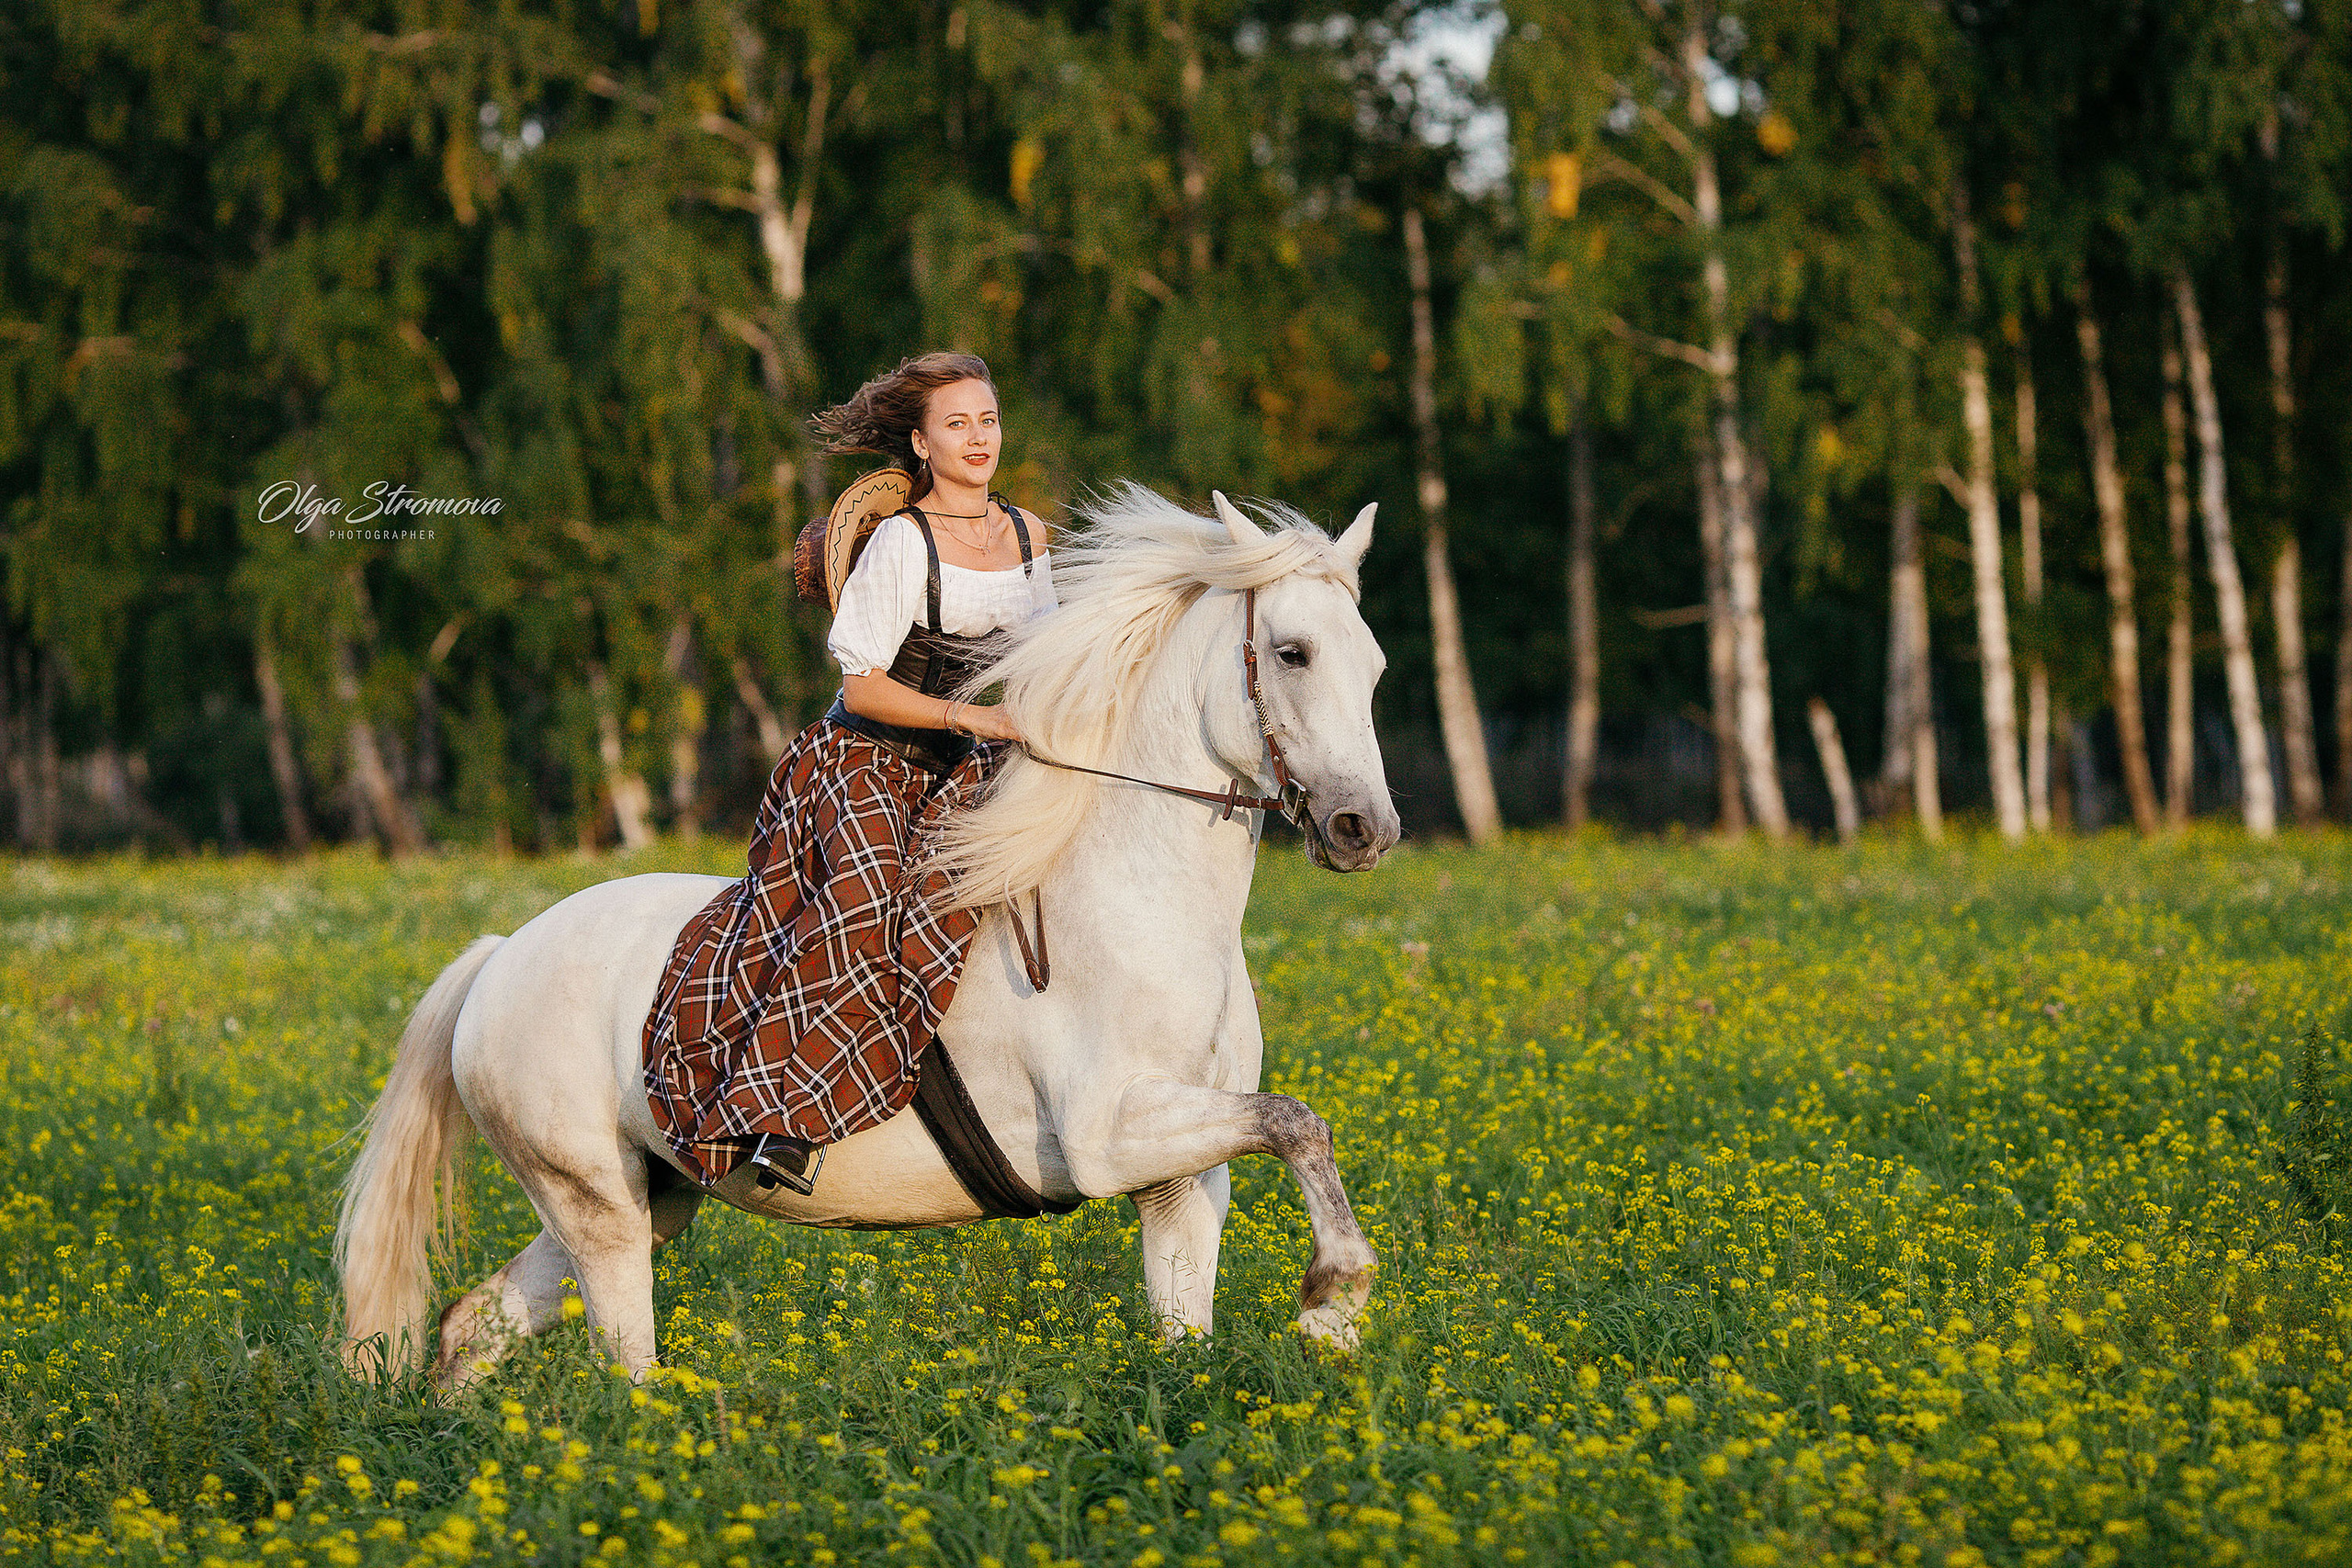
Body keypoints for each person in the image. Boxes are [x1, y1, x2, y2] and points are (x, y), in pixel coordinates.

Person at [640, 353, 1057, 1193]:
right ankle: (780, 1121)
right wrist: (970, 715)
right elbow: (862, 684)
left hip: (971, 764)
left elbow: (1046, 659)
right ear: (920, 441)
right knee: (864, 905)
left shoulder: (1029, 535)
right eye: (957, 424)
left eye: (988, 420)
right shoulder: (905, 542)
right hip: (864, 759)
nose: (978, 439)